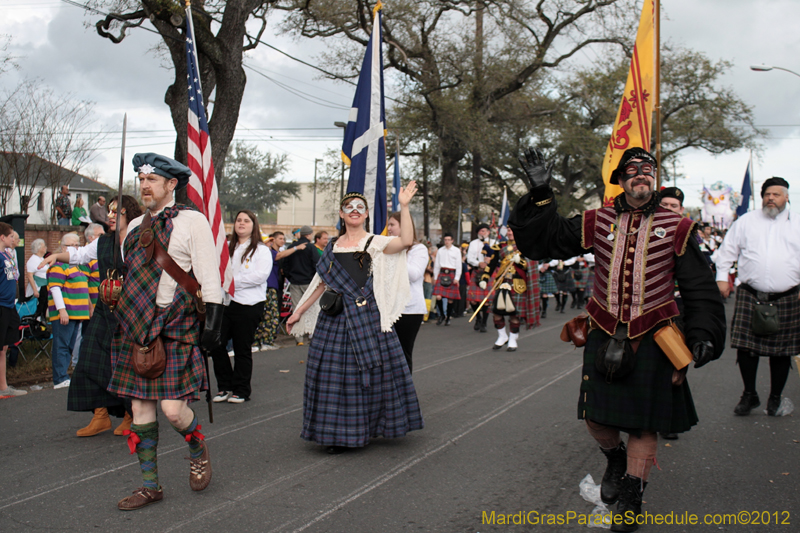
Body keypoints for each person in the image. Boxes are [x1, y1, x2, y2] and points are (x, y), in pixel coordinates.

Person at [509, 147, 726, 532]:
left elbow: (699, 288)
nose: (641, 175)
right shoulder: (597, 220)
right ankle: (615, 459)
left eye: (648, 170)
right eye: (633, 171)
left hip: (656, 337)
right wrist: (542, 192)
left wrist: (703, 333)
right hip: (604, 330)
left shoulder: (679, 227)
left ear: (654, 178)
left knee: (644, 427)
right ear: (621, 180)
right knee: (595, 417)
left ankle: (631, 498)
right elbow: (545, 241)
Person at [107, 153, 224, 510]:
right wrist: (114, 296)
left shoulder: (192, 221)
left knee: (173, 411)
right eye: (141, 180)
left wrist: (213, 322)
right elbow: (132, 276)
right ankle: (150, 486)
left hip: (174, 324)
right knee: (141, 411)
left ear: (171, 184)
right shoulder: (134, 227)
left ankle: (195, 444)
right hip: (135, 327)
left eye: (152, 180)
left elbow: (208, 273)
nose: (144, 186)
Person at [287, 184, 424, 454]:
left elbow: (406, 241)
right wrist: (300, 310)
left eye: (360, 208)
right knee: (332, 377)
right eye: (349, 207)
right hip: (334, 321)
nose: (355, 211)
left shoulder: (376, 242)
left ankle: (368, 428)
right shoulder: (331, 246)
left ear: (366, 214)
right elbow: (321, 284)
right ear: (341, 213)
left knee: (372, 375)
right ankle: (336, 434)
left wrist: (405, 206)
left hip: (368, 316)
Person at [40, 196, 143, 437]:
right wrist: (57, 256)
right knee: (88, 360)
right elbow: (79, 256)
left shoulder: (139, 240)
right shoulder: (103, 242)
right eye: (108, 210)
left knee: (124, 366)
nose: (109, 215)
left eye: (116, 211)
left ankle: (131, 416)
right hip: (104, 310)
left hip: (130, 312)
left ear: (129, 214)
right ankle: (100, 416)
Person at [713, 177, 800, 417]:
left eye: (776, 194)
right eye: (767, 194)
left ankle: (775, 398)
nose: (771, 198)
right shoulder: (746, 222)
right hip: (751, 294)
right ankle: (749, 394)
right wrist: (722, 277)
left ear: (787, 196)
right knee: (746, 349)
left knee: (781, 352)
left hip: (788, 296)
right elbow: (726, 251)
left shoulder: (798, 223)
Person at [211, 210, 272, 404]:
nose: (242, 223)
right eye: (239, 220)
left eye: (246, 221)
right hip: (226, 302)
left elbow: (260, 276)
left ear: (254, 225)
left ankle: (241, 389)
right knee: (216, 343)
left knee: (241, 348)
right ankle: (224, 386)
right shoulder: (227, 247)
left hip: (249, 303)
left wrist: (231, 281)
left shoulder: (261, 250)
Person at [479, 228, 540, 351]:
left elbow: (531, 265)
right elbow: (491, 264)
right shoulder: (500, 247)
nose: (510, 233)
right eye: (508, 230)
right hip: (502, 282)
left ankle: (513, 339)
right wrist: (484, 279)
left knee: (514, 314)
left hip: (517, 284)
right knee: (496, 312)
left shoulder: (526, 246)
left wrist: (521, 262)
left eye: (513, 230)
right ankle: (502, 336)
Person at [47, 233, 90, 389]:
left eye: (78, 244)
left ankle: (64, 375)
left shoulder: (77, 266)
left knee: (70, 345)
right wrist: (62, 310)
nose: (76, 247)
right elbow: (55, 288)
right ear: (64, 247)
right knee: (62, 344)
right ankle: (60, 378)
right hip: (66, 312)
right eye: (72, 245)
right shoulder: (58, 265)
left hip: (77, 312)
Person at [387, 211, 427, 372]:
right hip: (388, 308)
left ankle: (404, 395)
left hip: (409, 310)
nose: (389, 229)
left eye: (392, 225)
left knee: (402, 354)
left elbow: (414, 274)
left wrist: (398, 251)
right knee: (387, 356)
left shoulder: (419, 249)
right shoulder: (387, 248)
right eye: (388, 225)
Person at [0, 222, 25, 397]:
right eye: (10, 236)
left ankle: (3, 387)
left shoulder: (7, 255)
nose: (13, 239)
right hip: (1, 305)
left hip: (10, 306)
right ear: (2, 237)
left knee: (4, 347)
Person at [283, 225, 316, 345]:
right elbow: (316, 264)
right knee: (310, 308)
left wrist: (290, 277)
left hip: (295, 281)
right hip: (308, 282)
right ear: (308, 235)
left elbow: (285, 264)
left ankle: (299, 338)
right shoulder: (311, 248)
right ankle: (310, 334)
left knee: (296, 309)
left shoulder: (292, 247)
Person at [254, 231, 284, 351]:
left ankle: (262, 341)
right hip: (267, 287)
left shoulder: (264, 252)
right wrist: (297, 248)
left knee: (268, 315)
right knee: (268, 314)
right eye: (268, 242)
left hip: (268, 286)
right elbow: (278, 256)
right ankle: (263, 341)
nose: (270, 244)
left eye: (271, 241)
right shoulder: (265, 252)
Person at [432, 233, 461, 326]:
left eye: (448, 240)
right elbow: (436, 265)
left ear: (452, 240)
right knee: (438, 296)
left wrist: (457, 278)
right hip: (442, 273)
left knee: (450, 299)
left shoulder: (456, 251)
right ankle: (442, 316)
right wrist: (436, 277)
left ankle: (448, 317)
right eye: (445, 240)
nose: (447, 241)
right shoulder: (440, 250)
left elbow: (459, 265)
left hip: (452, 274)